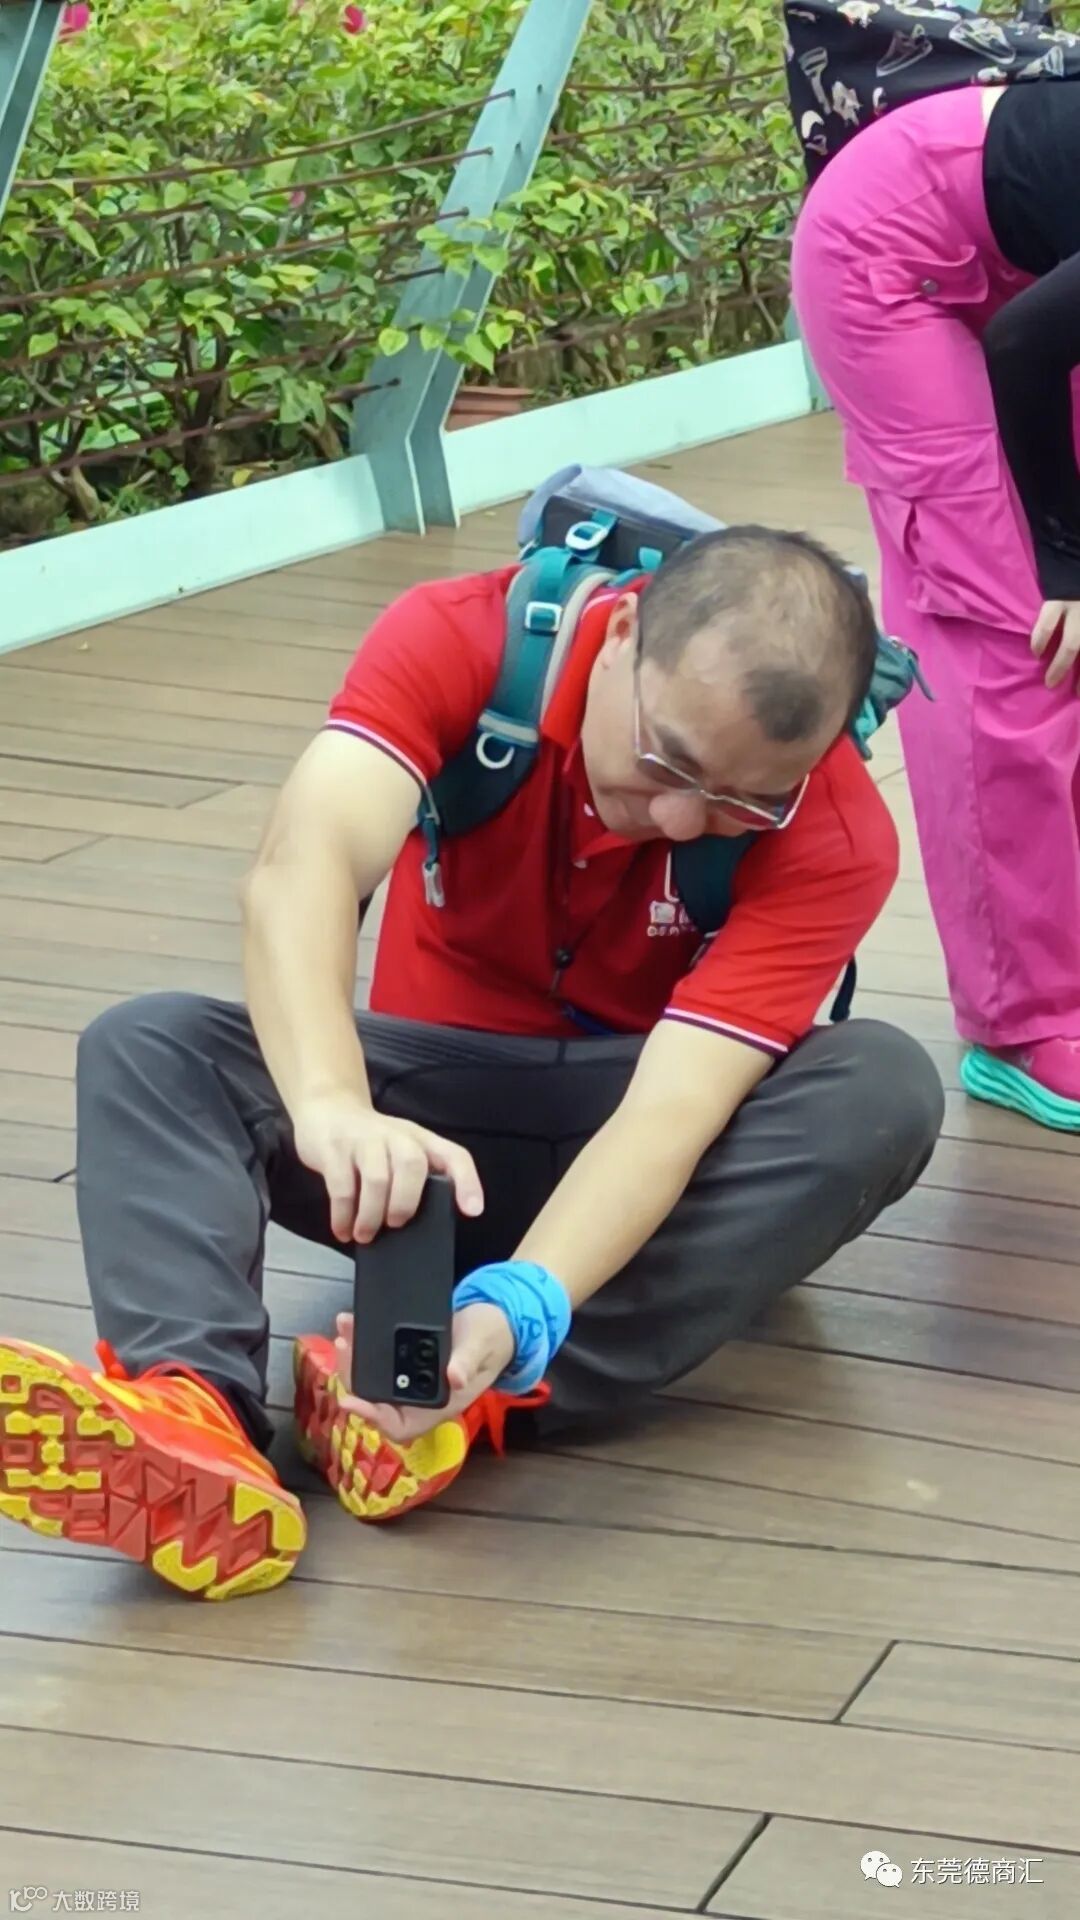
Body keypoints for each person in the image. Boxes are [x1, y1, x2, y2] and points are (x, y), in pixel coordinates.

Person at [0, 524, 943, 1600]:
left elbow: (672, 1113)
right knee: (153, 1041)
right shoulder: (463, 640)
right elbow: (301, 866)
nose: (683, 817)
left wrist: (523, 1307)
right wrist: (331, 1103)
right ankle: (195, 1414)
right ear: (622, 630)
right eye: (668, 760)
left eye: (743, 801)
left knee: (883, 1085)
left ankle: (473, 1388)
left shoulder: (837, 833)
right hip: (417, 1145)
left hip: (636, 1161)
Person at [792, 78, 1080, 1132]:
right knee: (1022, 632)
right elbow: (1029, 348)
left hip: (1028, 265)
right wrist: (1066, 562)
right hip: (889, 256)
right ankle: (1022, 1023)